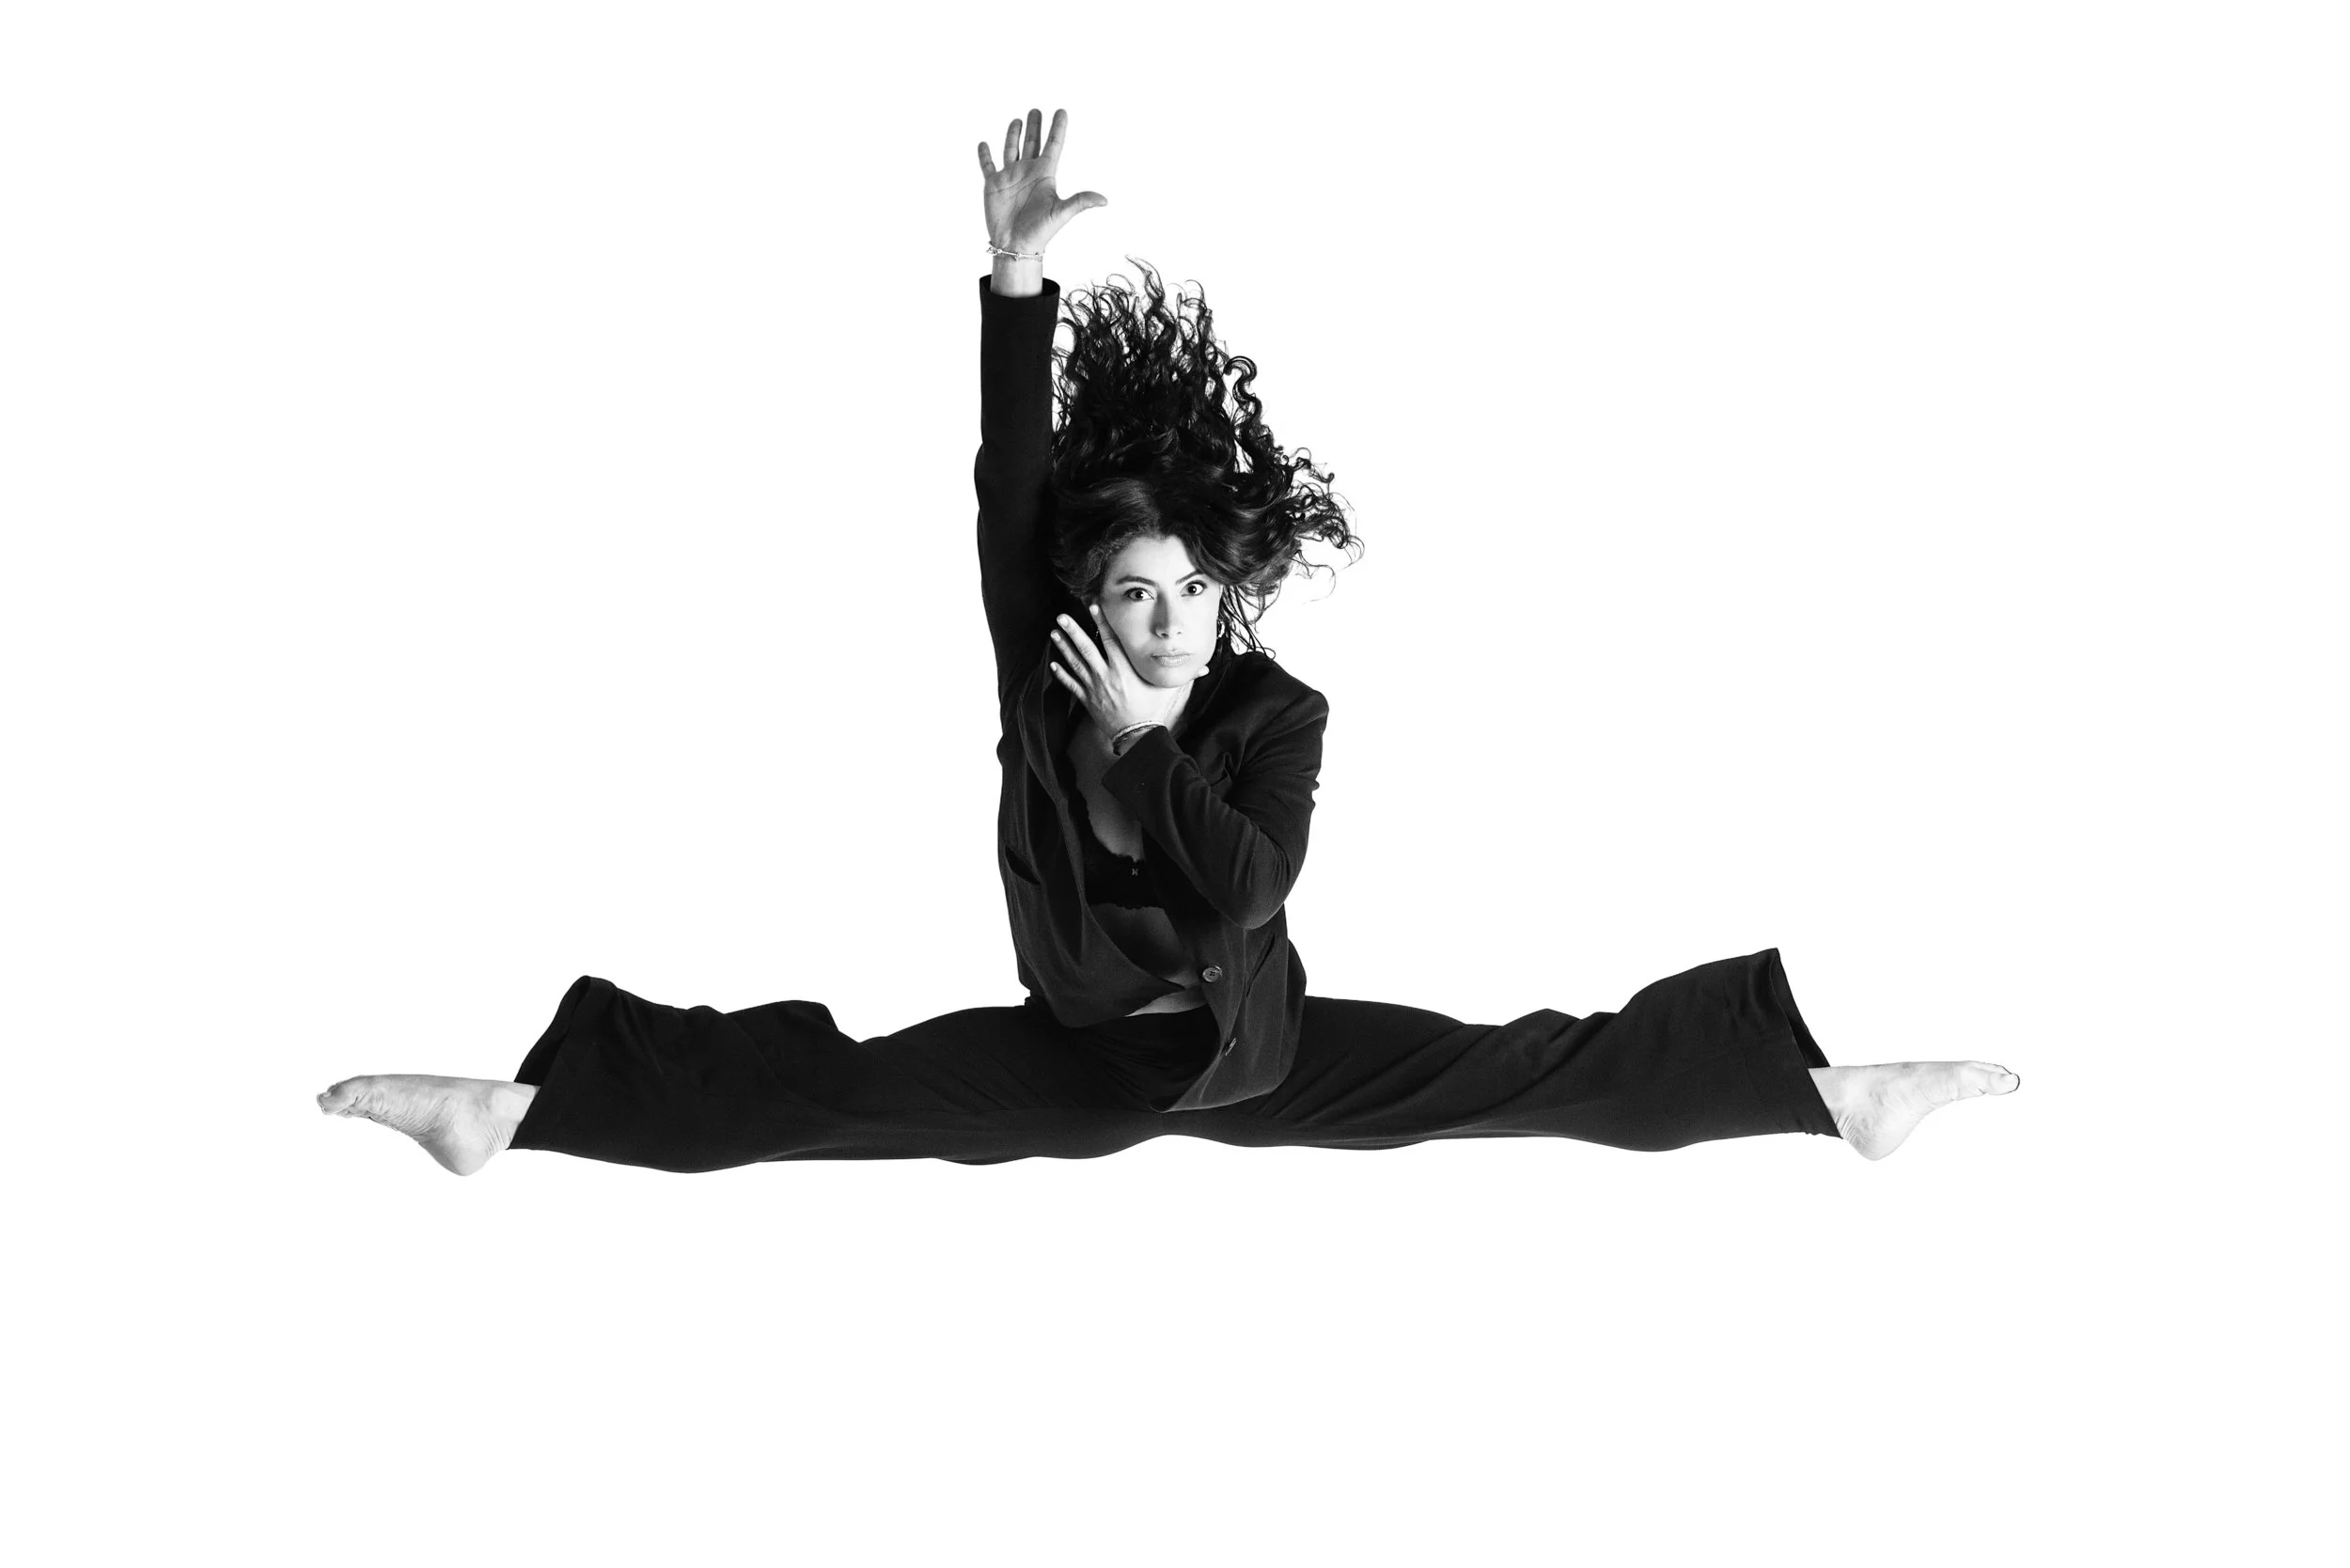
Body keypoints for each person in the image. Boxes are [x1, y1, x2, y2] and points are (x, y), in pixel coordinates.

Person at [319, 107, 2019, 1177]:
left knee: (1525, 1069)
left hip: (1250, 1047)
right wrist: (1013, 288)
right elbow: (1010, 491)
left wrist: (1139, 752)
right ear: (1095, 597)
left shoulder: (1275, 715)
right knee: (822, 1093)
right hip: (1077, 1054)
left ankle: (1830, 1095)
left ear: (1227, 600)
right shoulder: (1047, 657)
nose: (1162, 620)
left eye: (1192, 594)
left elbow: (1254, 888)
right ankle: (515, 1118)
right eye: (1133, 591)